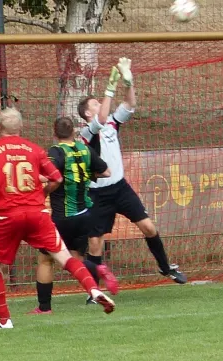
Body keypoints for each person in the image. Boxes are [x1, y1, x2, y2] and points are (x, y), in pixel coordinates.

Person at [0, 107, 115, 329]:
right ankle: (93, 290)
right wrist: (40, 193)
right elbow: (55, 178)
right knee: (65, 257)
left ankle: (4, 320)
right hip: (38, 214)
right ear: (21, 127)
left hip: (8, 216)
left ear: (0, 128)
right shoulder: (34, 149)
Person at [78, 57, 187, 284]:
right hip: (97, 193)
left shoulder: (112, 124)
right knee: (95, 242)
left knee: (148, 227)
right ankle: (94, 291)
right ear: (87, 114)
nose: (101, 105)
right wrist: (109, 88)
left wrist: (128, 84)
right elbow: (99, 120)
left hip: (120, 188)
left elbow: (129, 106)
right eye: (96, 104)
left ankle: (166, 268)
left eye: (100, 102)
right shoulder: (87, 131)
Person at [29, 116, 119, 314]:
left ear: (55, 132)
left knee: (46, 259)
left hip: (63, 215)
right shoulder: (85, 149)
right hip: (84, 214)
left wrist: (39, 187)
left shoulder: (56, 151)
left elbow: (51, 177)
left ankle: (44, 308)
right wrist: (85, 175)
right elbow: (106, 172)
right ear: (73, 133)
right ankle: (97, 269)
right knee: (75, 260)